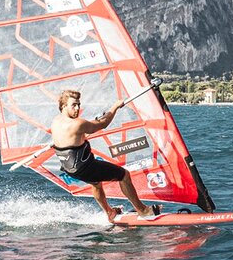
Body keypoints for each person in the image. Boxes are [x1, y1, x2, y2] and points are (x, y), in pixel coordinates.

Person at [51, 89, 158, 223]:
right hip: (85, 167)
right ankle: (143, 211)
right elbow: (104, 124)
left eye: (79, 104)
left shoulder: (56, 121)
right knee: (124, 175)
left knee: (96, 183)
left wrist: (90, 125)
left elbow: (76, 136)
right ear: (63, 106)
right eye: (73, 105)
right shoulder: (78, 123)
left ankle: (109, 212)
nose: (77, 108)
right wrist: (115, 107)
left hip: (69, 169)